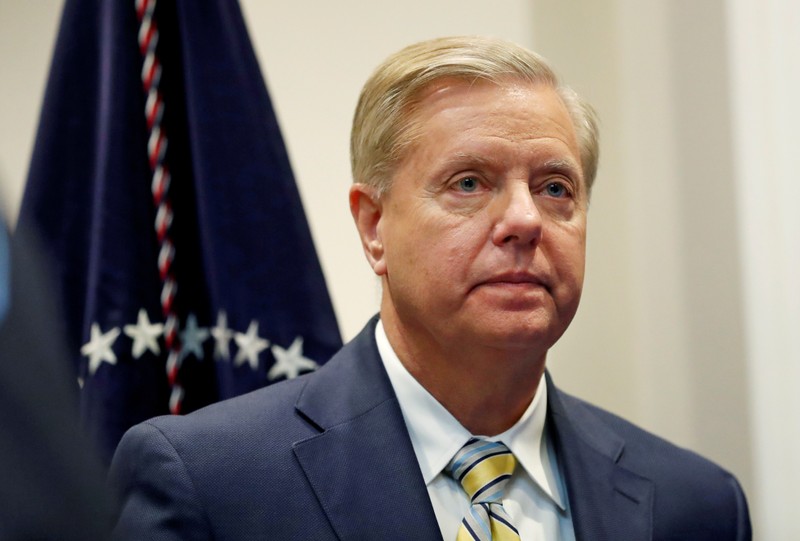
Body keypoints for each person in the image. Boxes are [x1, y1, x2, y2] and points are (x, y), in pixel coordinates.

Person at [110, 36, 751, 540]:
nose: (525, 220)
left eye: (556, 188)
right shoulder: (212, 483)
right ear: (373, 226)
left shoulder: (695, 505)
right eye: (469, 183)